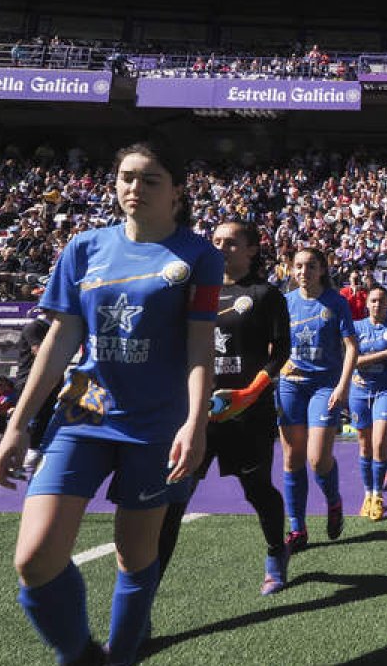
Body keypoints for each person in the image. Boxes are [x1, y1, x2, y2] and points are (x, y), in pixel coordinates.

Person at [0, 140, 222, 664]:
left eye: (149, 179)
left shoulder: (199, 257)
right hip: (83, 410)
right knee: (34, 558)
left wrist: (194, 422)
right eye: (125, 177)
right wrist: (16, 426)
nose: (133, 188)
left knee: (135, 555)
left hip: (156, 424)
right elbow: (59, 341)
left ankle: (120, 657)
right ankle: (81, 656)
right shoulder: (84, 248)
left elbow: (199, 346)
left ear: (177, 192)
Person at [157, 219, 291, 595]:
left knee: (256, 490)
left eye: (231, 243)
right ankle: (148, 587)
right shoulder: (194, 292)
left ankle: (276, 551)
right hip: (198, 415)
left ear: (251, 249)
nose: (221, 248)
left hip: (249, 414)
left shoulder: (266, 295)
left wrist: (250, 392)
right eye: (215, 241)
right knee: (175, 498)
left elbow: (281, 352)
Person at [277, 248, 358, 553]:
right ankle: (297, 528)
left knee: (317, 458)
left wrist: (342, 385)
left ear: (322, 269)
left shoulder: (336, 303)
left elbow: (351, 347)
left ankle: (333, 500)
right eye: (298, 266)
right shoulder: (284, 303)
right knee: (291, 458)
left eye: (310, 266)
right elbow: (275, 344)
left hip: (325, 386)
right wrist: (277, 367)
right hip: (291, 386)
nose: (303, 271)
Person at [350, 285, 387, 522]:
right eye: (373, 301)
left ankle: (378, 495)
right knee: (364, 446)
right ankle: (367, 495)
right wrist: (385, 355)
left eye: (382, 301)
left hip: (386, 391)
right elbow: (353, 361)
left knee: (380, 442)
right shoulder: (356, 327)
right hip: (359, 392)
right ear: (367, 303)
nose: (377, 305)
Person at [12, 309, 60, 474]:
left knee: (44, 417)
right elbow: (39, 352)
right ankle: (16, 458)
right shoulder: (35, 327)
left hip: (49, 380)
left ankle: (33, 455)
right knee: (24, 420)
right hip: (31, 380)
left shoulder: (53, 328)